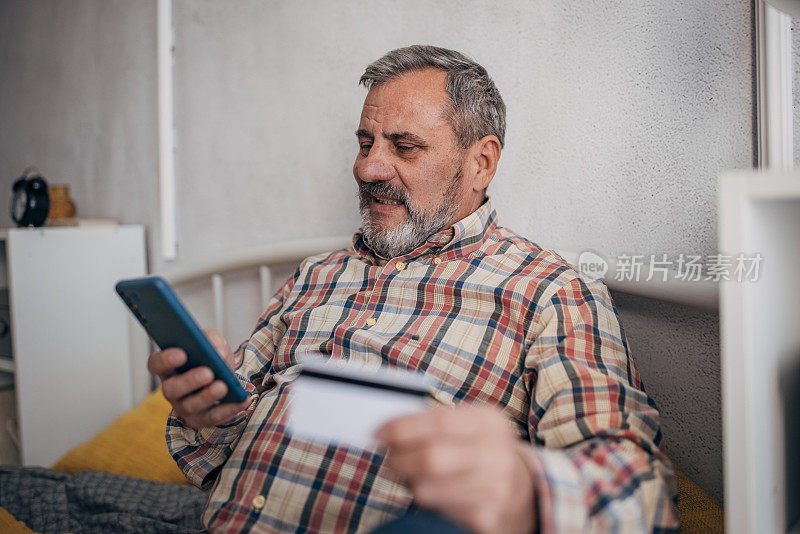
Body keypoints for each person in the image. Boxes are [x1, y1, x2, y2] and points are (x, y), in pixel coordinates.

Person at [148, 45, 679, 533]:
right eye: (364, 143)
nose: (367, 167)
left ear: (481, 163)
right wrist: (205, 412)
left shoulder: (551, 294)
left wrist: (525, 491)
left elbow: (641, 496)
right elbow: (215, 454)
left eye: (404, 146)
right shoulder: (314, 275)